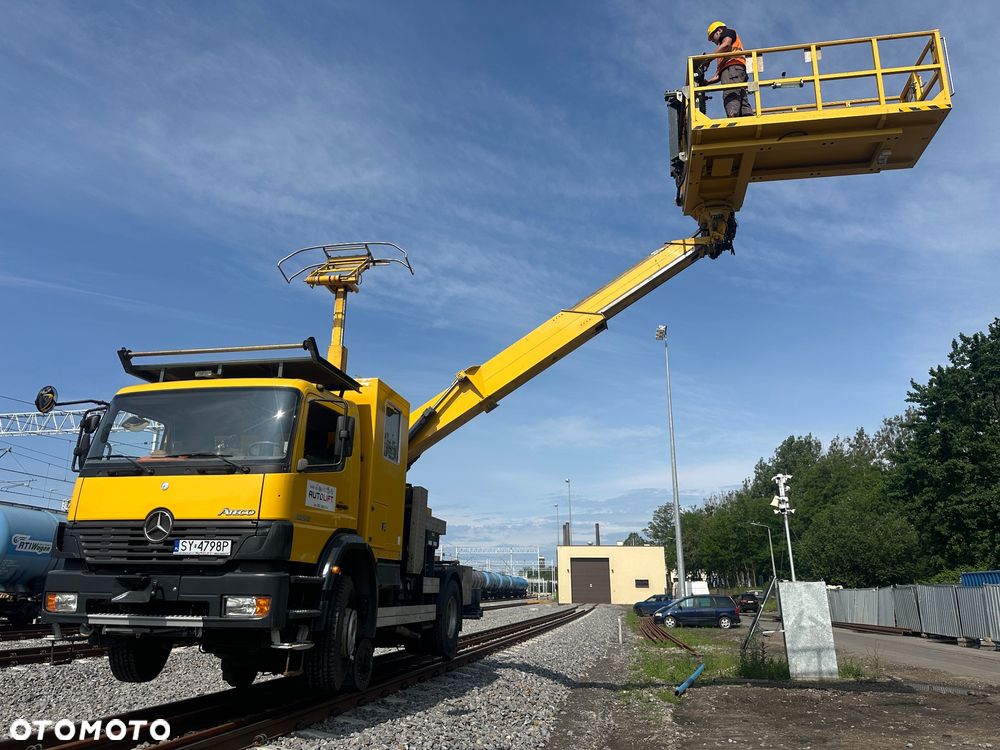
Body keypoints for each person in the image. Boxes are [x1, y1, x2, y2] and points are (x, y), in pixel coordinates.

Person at [703, 21, 754, 118]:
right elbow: (718, 76)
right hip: (734, 71)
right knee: (741, 95)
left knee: (731, 93)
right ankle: (747, 117)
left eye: (712, 37)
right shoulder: (720, 53)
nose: (713, 41)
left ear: (719, 31)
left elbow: (726, 45)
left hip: (733, 69)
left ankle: (733, 118)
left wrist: (708, 59)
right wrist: (706, 82)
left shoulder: (728, 33)